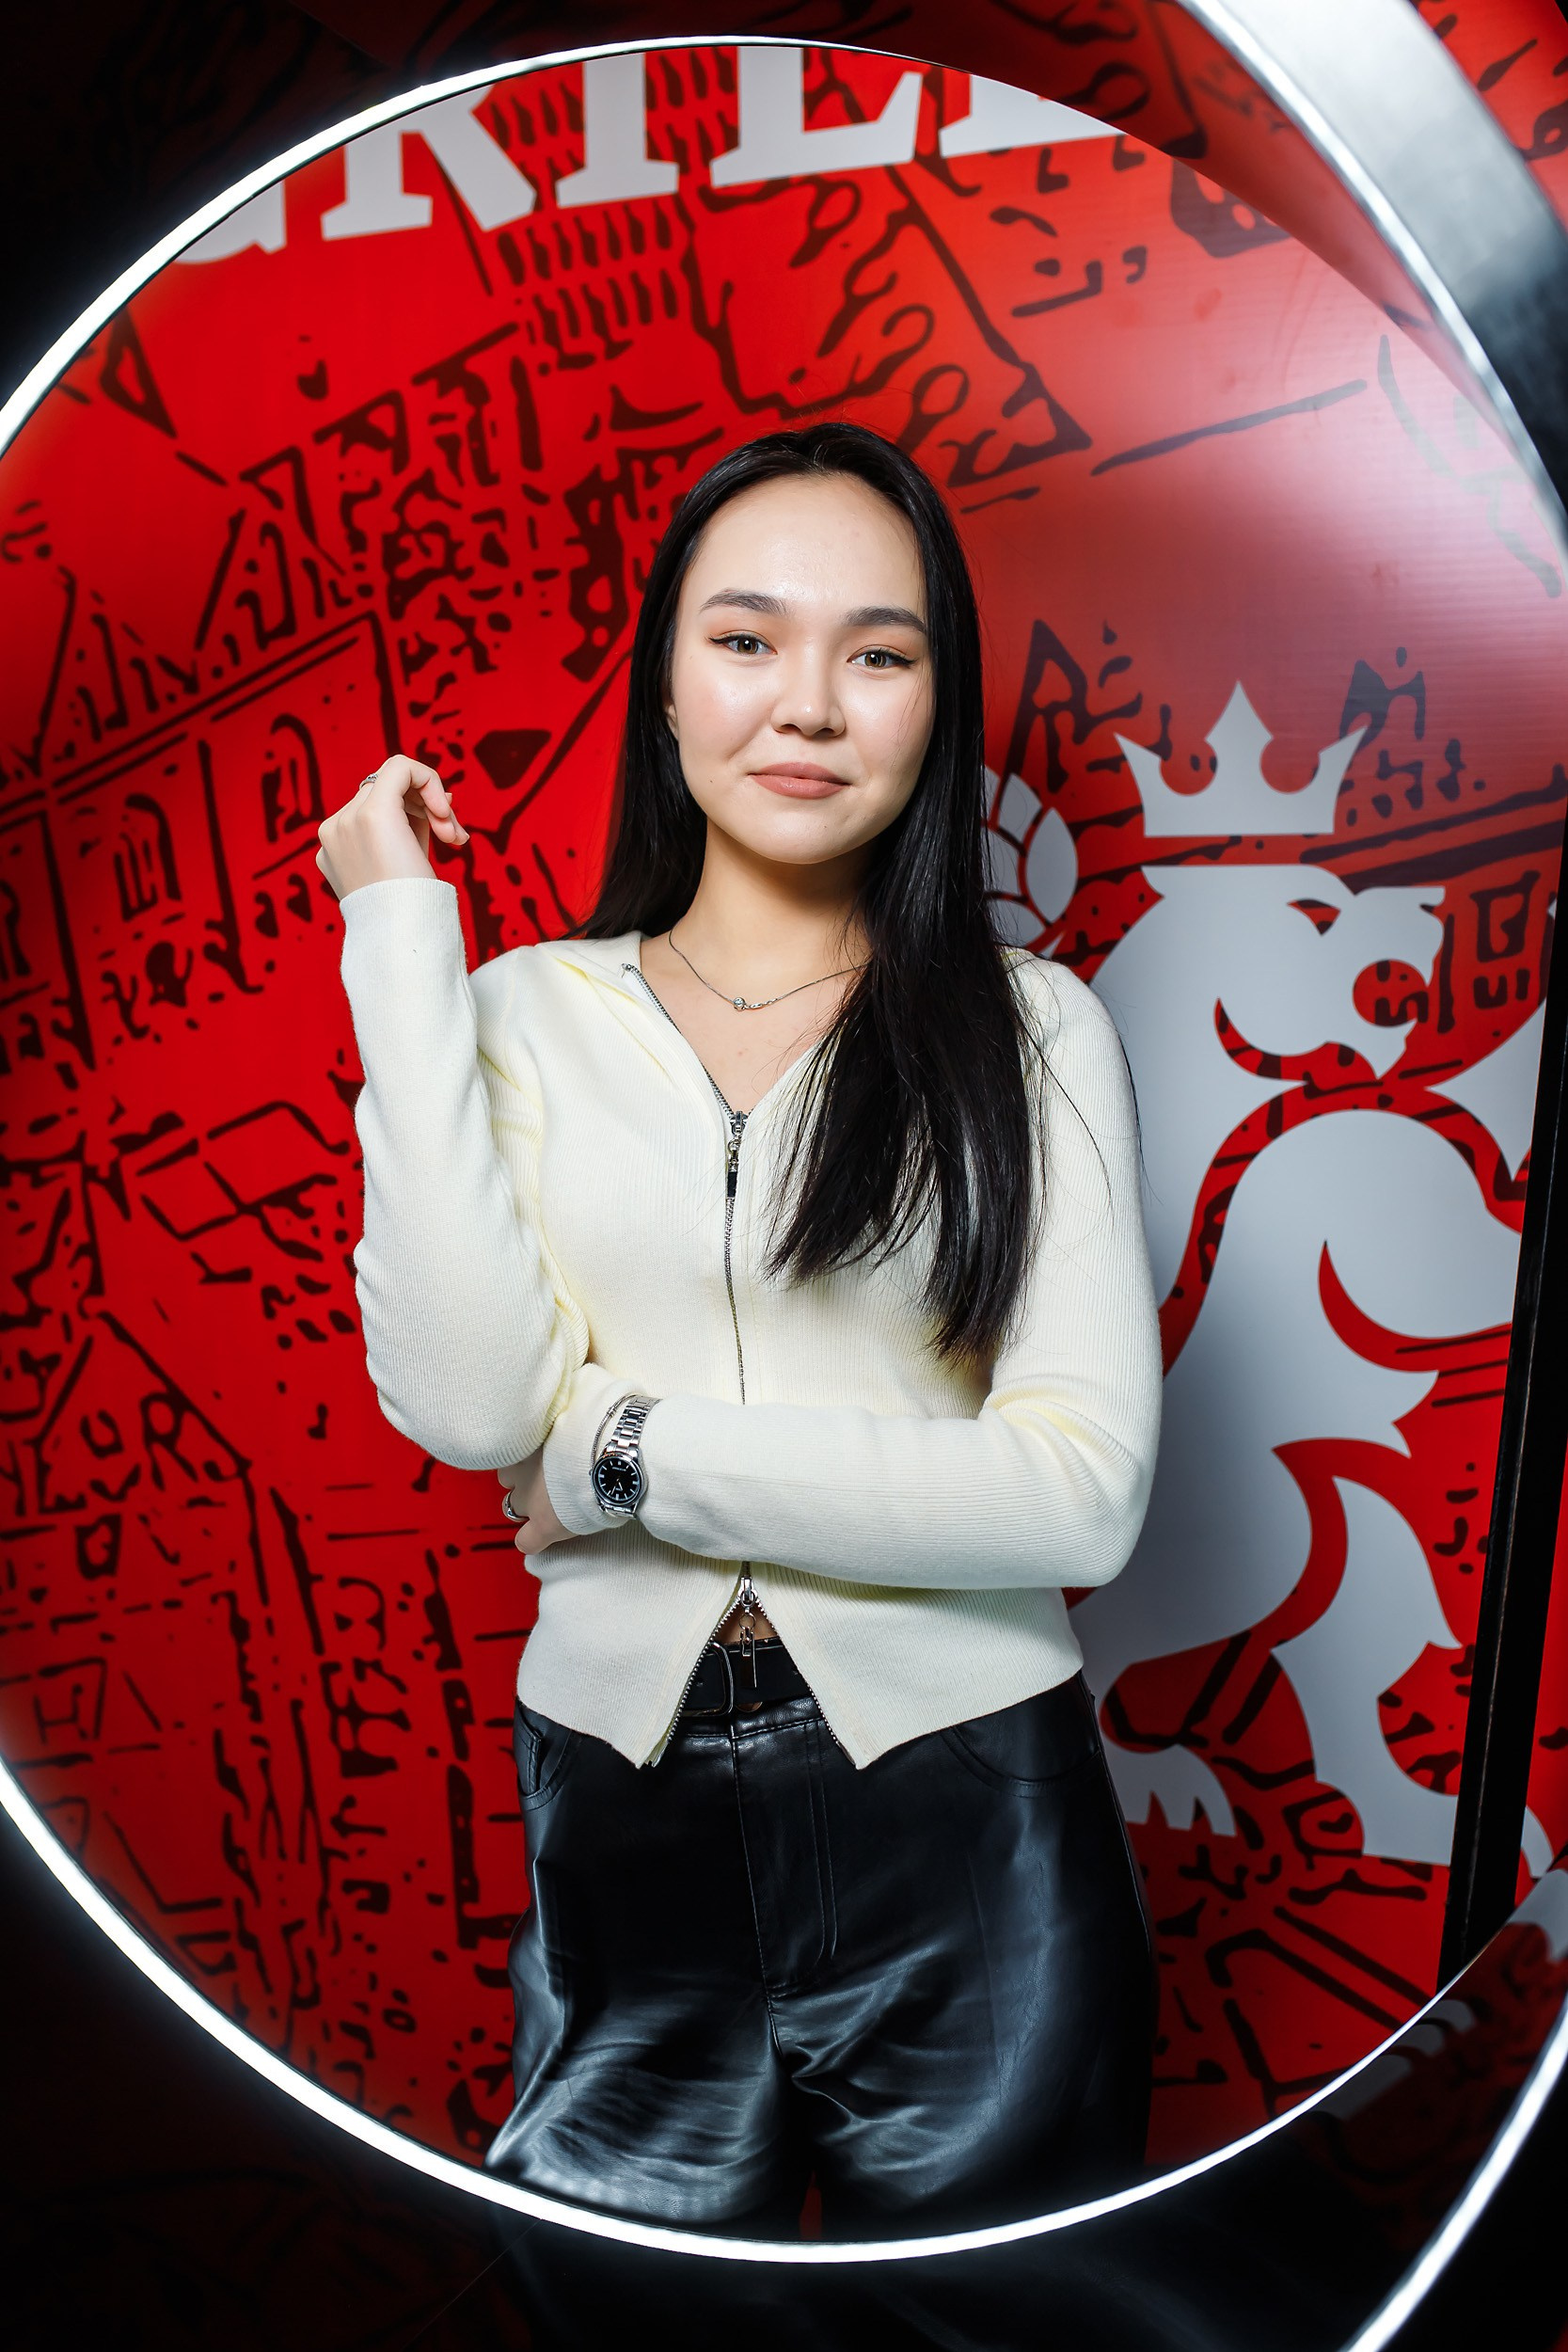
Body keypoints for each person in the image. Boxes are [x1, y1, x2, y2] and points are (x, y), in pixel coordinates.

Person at [317, 421, 1163, 2244]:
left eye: (880, 652)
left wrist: (622, 1452)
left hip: (968, 1801)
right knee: (610, 2299)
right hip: (615, 1803)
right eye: (748, 638)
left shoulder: (1030, 1031)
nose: (810, 705)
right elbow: (471, 1403)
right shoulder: (515, 1014)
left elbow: (1079, 1498)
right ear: (666, 686)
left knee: (1005, 2317)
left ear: (937, 705)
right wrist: (396, 935)